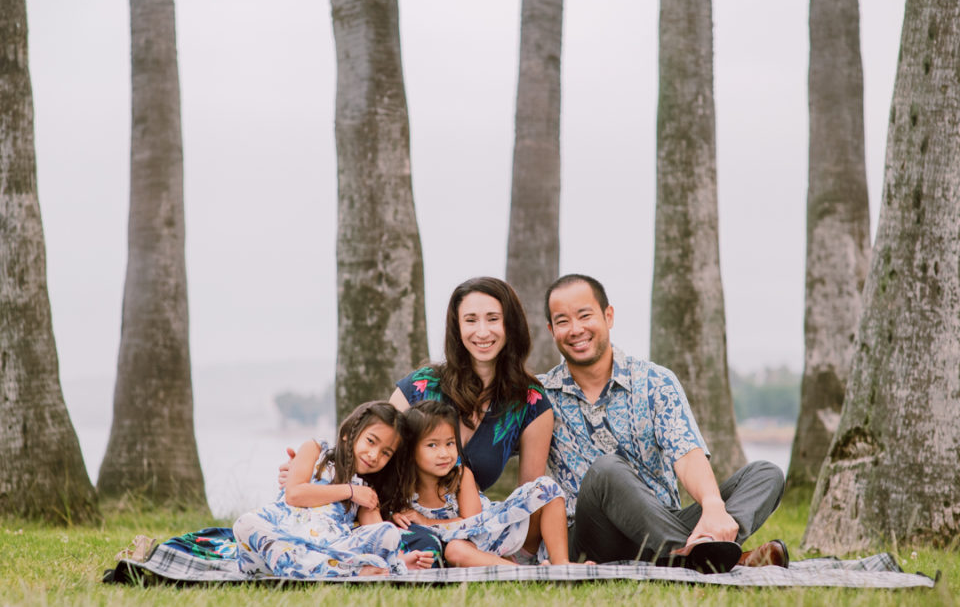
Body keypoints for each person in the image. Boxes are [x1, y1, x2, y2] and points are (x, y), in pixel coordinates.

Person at [541, 274, 787, 572]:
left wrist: (712, 505)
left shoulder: (655, 381)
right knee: (607, 470)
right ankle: (713, 557)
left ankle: (697, 549)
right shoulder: (539, 396)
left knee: (766, 474)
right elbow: (485, 442)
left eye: (584, 316)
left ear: (608, 316)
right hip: (592, 538)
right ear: (551, 330)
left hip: (660, 523)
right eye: (563, 321)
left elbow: (686, 454)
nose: (576, 329)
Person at [234, 401, 434, 578]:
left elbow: (377, 532)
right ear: (348, 434)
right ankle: (343, 570)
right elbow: (294, 494)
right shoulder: (314, 450)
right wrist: (350, 491)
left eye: (385, 453)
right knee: (245, 523)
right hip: (280, 541)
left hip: (329, 548)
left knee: (389, 532)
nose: (374, 455)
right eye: (371, 441)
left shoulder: (366, 491)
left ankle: (315, 568)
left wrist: (400, 560)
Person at [391, 400, 572, 566]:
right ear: (410, 449)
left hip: (491, 532)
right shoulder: (402, 488)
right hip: (470, 552)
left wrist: (426, 521)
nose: (444, 454)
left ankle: (561, 564)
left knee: (546, 487)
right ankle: (523, 573)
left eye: (450, 443)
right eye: (432, 445)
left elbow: (474, 525)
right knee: (455, 550)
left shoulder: (460, 475)